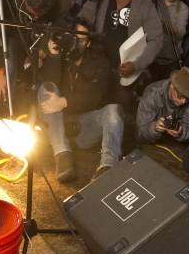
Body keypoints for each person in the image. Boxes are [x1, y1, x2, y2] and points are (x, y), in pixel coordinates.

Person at [37, 18, 124, 183]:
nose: (76, 43)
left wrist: (64, 102)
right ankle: (62, 154)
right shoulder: (60, 56)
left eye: (82, 40)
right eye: (74, 38)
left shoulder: (100, 63)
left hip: (83, 129)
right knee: (45, 88)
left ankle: (108, 166)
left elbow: (95, 96)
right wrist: (54, 57)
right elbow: (48, 88)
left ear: (88, 43)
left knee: (113, 110)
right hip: (57, 127)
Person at [79, 0, 163, 86]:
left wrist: (136, 64)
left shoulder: (144, 3)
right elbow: (82, 24)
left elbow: (156, 40)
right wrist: (92, 0)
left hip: (123, 72)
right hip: (96, 66)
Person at [136, 67, 189, 146]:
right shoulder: (152, 94)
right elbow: (140, 132)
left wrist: (181, 132)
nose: (183, 102)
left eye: (188, 99)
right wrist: (154, 128)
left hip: (177, 145)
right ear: (172, 86)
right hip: (151, 143)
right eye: (181, 96)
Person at [151, 0, 189, 81]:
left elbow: (181, 33)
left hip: (171, 58)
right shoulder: (153, 1)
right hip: (152, 56)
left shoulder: (183, 8)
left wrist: (165, 25)